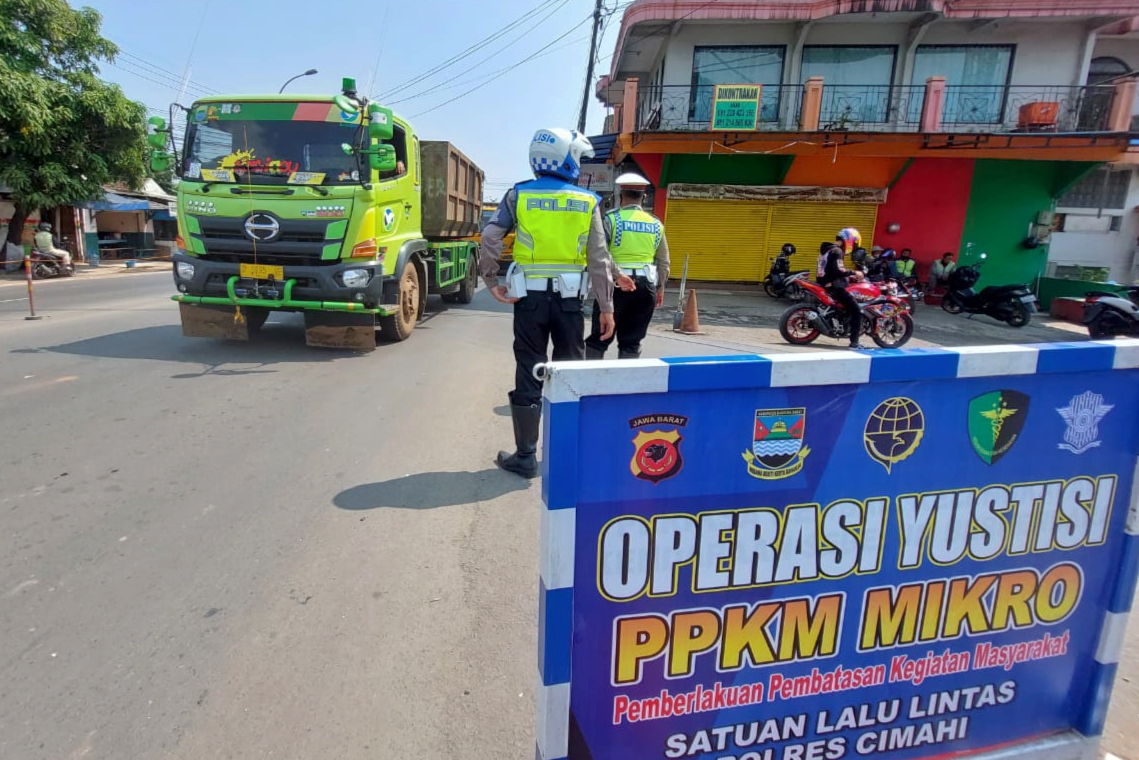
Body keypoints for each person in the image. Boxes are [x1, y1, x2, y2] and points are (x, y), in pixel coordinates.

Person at [479, 127, 617, 479]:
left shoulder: (519, 195)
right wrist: (607, 307)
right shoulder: (587, 202)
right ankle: (567, 458)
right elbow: (599, 259)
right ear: (567, 158)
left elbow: (491, 236)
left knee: (529, 369)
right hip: (571, 303)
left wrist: (491, 280)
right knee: (570, 372)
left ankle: (526, 456)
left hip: (530, 301)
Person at [586, 172, 670, 360]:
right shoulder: (656, 224)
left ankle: (591, 384)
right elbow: (664, 262)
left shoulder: (611, 219)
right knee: (632, 342)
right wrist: (660, 288)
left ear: (621, 195)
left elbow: (600, 253)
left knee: (600, 337)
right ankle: (625, 385)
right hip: (645, 287)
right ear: (644, 197)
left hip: (616, 285)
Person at [821, 228, 865, 350]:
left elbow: (830, 269)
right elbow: (839, 270)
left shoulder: (827, 249)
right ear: (850, 240)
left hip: (825, 283)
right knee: (857, 310)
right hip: (834, 286)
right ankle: (854, 343)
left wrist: (848, 276)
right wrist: (855, 272)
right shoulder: (837, 251)